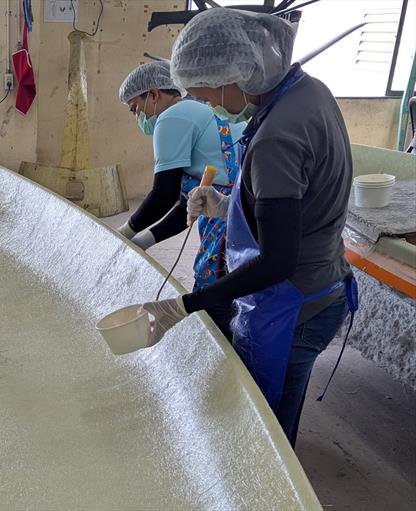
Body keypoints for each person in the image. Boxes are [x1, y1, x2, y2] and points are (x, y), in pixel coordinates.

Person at [142, 8, 358, 446]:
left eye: (207, 96)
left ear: (235, 75)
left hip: (293, 304)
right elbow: (297, 200)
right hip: (322, 281)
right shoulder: (308, 92)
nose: (209, 106)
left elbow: (278, 260)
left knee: (265, 437)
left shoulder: (277, 134)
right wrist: (225, 206)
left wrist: (188, 304)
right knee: (274, 414)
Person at [116, 60, 245, 340]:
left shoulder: (172, 117)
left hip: (227, 215)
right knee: (229, 284)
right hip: (234, 209)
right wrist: (145, 239)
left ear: (153, 94)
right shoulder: (197, 111)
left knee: (215, 291)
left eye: (136, 107)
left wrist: (127, 231)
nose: (138, 116)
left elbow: (162, 194)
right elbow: (187, 204)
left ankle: (227, 359)